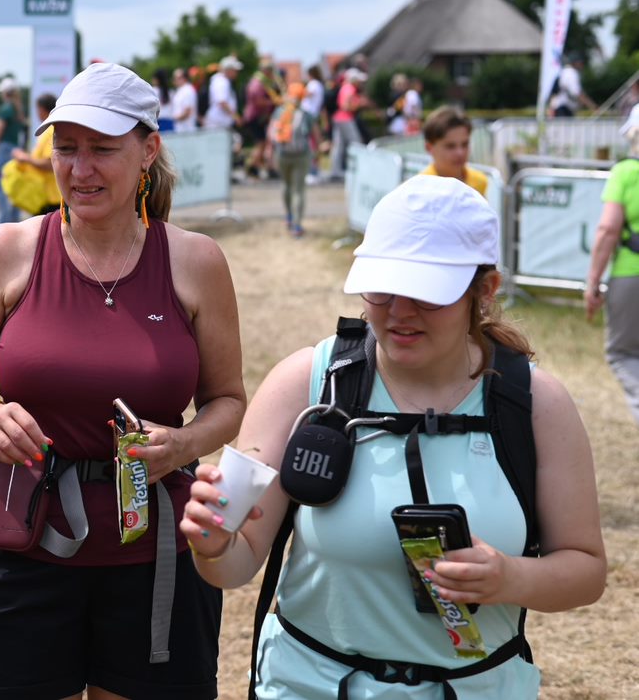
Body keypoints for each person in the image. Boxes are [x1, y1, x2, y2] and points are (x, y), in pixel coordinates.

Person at [183, 175, 606, 699]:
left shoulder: (537, 405)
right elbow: (238, 560)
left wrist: (510, 578)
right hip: (310, 686)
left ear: (485, 290)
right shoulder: (310, 383)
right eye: (382, 288)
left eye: (426, 293)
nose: (400, 311)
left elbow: (586, 570)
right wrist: (212, 544)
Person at [0, 62, 247, 699]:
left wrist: (185, 445)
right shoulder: (7, 250)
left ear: (148, 151)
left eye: (102, 149)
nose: (80, 170)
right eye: (66, 149)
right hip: (19, 546)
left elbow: (228, 401)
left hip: (155, 557)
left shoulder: (194, 261)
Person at [585, 119, 639, 427]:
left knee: (622, 354)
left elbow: (608, 230)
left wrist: (593, 282)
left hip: (632, 272)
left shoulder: (626, 172)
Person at [268, 82, 312, 238]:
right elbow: (313, 135)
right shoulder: (305, 114)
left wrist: (269, 152)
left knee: (286, 185)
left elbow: (271, 134)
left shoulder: (279, 112)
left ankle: (288, 216)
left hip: (282, 154)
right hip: (301, 155)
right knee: (298, 190)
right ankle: (297, 225)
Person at [7, 92, 60, 215]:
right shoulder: (52, 129)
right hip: (47, 196)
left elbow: (49, 164)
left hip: (51, 198)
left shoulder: (50, 130)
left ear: (41, 109)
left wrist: (25, 158)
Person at [420, 106, 487, 197]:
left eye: (465, 144)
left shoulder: (479, 181)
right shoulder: (420, 188)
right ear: (429, 148)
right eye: (450, 146)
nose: (460, 152)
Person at [0, 76, 26, 224]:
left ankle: (3, 222)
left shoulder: (5, 109)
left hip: (4, 149)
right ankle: (13, 221)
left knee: (0, 185)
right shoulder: (18, 108)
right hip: (15, 149)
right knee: (13, 186)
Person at [329, 67, 369, 181]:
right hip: (345, 119)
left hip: (340, 118)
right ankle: (357, 169)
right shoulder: (350, 88)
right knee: (356, 144)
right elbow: (346, 106)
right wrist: (360, 104)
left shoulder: (345, 88)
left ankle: (336, 170)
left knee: (339, 145)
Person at [170, 67, 198, 133]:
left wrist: (172, 119)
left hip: (187, 129)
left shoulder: (188, 90)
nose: (174, 80)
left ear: (184, 78)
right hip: (180, 129)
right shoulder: (181, 90)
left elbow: (187, 112)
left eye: (176, 78)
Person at [152, 68, 174, 133]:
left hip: (159, 121)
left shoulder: (153, 91)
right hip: (170, 121)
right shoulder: (171, 92)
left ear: (157, 79)